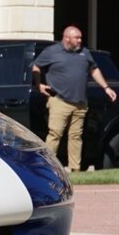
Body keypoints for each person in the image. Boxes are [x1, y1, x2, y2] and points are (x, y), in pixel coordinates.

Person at [31, 26, 117, 171]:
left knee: (75, 137)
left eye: (80, 38)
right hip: (59, 101)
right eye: (76, 38)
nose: (80, 40)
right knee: (55, 135)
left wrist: (106, 87)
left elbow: (94, 69)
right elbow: (36, 67)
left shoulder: (85, 53)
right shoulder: (52, 52)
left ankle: (75, 170)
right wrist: (39, 85)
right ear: (66, 38)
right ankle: (47, 168)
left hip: (80, 103)